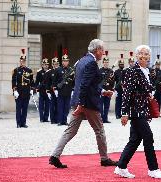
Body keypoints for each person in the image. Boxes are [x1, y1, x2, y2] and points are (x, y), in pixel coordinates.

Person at [49, 39, 117, 168]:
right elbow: (85, 85)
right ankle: (104, 158)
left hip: (79, 101)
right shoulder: (91, 63)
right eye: (102, 50)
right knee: (99, 130)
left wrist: (102, 91)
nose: (103, 53)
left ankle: (54, 156)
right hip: (87, 103)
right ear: (97, 50)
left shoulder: (81, 60)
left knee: (70, 131)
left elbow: (86, 84)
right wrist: (81, 104)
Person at [114, 45, 161, 179]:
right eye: (141, 53)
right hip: (135, 110)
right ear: (137, 56)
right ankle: (153, 169)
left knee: (135, 140)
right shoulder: (132, 71)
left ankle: (121, 166)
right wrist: (124, 113)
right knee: (148, 137)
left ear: (149, 57)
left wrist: (150, 93)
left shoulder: (148, 71)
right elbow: (127, 93)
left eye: (146, 54)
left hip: (143, 109)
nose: (143, 55)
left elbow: (148, 88)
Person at [11, 49, 35, 128]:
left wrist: (32, 89)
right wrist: (14, 90)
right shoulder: (16, 70)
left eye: (24, 60)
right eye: (21, 60)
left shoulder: (29, 70)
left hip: (26, 91)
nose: (23, 62)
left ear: (25, 61)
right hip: (18, 91)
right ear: (20, 61)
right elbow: (14, 81)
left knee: (25, 108)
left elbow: (32, 81)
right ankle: (18, 123)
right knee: (18, 108)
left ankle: (23, 123)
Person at [52, 49, 74, 126]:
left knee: (67, 107)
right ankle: (60, 121)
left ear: (68, 62)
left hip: (68, 91)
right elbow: (54, 81)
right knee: (60, 107)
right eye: (64, 61)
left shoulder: (71, 70)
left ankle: (64, 120)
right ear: (62, 62)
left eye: (67, 61)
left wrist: (73, 90)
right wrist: (55, 89)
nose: (65, 62)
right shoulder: (58, 70)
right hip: (60, 91)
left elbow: (73, 82)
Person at [45, 51, 60, 124]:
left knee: (58, 105)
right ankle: (52, 119)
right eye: (54, 64)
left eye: (57, 64)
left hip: (59, 91)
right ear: (52, 64)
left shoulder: (60, 71)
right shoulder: (49, 72)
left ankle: (57, 119)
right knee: (52, 105)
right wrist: (48, 91)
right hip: (51, 91)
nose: (55, 65)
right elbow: (47, 83)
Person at [99, 50, 114, 123]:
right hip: (102, 91)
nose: (106, 64)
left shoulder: (110, 71)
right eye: (105, 62)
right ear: (103, 63)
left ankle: (105, 118)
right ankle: (101, 119)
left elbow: (113, 81)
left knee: (107, 105)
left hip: (108, 90)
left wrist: (111, 89)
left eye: (107, 62)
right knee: (101, 105)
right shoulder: (100, 70)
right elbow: (98, 81)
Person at [35, 57, 50, 122]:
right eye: (44, 65)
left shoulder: (50, 72)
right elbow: (36, 82)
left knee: (47, 105)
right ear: (42, 65)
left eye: (46, 65)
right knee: (41, 106)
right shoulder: (39, 72)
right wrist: (37, 90)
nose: (45, 66)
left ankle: (46, 118)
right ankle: (41, 118)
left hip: (48, 91)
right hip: (41, 90)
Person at [114, 54, 125, 119]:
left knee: (123, 103)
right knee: (118, 102)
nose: (122, 65)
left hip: (124, 89)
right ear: (119, 65)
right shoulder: (116, 72)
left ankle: (122, 114)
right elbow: (114, 81)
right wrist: (114, 89)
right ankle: (117, 114)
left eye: (122, 64)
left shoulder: (125, 71)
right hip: (118, 89)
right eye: (120, 64)